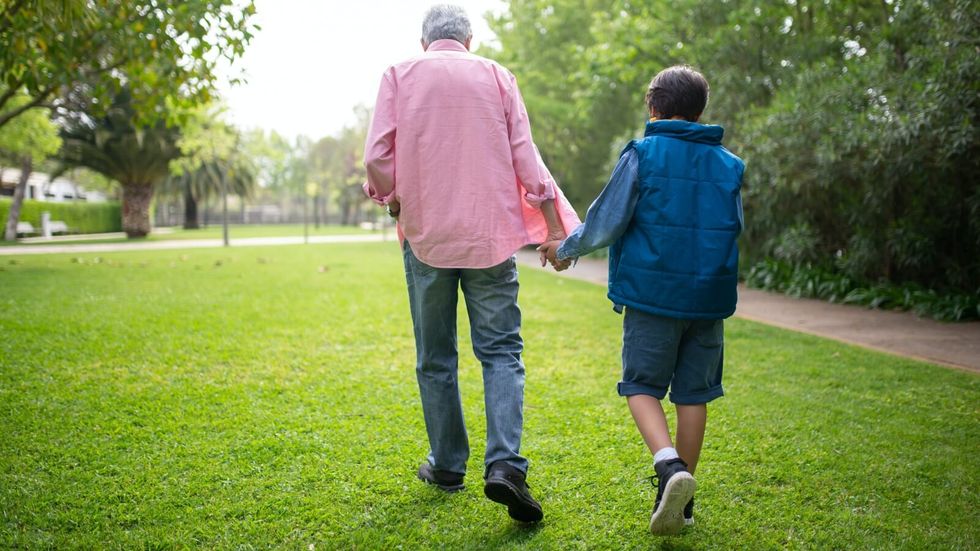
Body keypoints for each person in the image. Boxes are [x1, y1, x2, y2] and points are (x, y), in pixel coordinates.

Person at [363, 4, 579, 523]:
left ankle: (446, 466)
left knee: (436, 356)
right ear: (469, 38)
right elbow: (526, 156)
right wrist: (553, 225)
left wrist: (390, 195)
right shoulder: (497, 77)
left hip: (426, 237)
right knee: (502, 352)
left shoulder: (399, 74)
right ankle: (504, 465)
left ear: (424, 41)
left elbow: (376, 155)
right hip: (488, 237)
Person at [539, 65, 744, 535]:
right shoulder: (730, 165)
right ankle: (681, 501)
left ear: (654, 107)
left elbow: (608, 220)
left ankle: (670, 468)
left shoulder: (643, 154)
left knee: (641, 387)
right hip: (708, 301)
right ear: (699, 110)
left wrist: (564, 249)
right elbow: (733, 229)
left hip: (653, 296)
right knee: (694, 395)